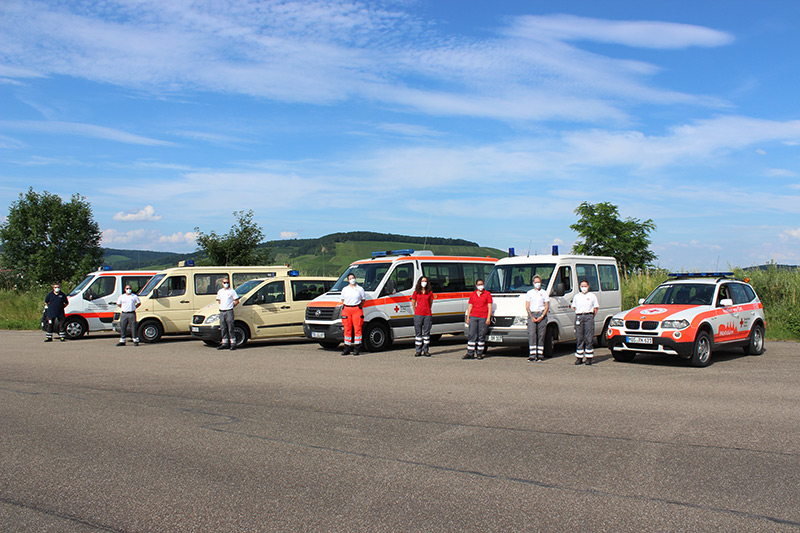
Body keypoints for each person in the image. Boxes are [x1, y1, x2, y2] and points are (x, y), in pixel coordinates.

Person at [571, 279, 599, 365]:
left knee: (589, 337)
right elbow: (574, 307)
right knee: (579, 337)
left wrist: (590, 316)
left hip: (589, 316)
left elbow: (596, 308)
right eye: (582, 286)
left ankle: (589, 357)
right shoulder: (576, 296)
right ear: (580, 287)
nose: (584, 288)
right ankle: (579, 357)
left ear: (588, 286)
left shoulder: (592, 296)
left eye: (585, 286)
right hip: (579, 316)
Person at [464, 279, 492, 359]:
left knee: (481, 335)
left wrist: (488, 318)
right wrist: (468, 317)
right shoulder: (473, 294)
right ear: (476, 286)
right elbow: (470, 306)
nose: (481, 286)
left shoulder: (487, 294)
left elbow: (489, 306)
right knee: (471, 335)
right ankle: (470, 353)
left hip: (483, 317)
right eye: (479, 284)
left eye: (482, 284)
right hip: (473, 317)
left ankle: (479, 353)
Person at [525, 275, 550, 362]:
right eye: (536, 282)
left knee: (541, 335)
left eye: (539, 282)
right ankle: (532, 355)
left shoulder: (544, 292)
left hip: (541, 315)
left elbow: (547, 306)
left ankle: (540, 355)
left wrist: (542, 316)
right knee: (532, 334)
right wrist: (531, 317)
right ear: (533, 283)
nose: (537, 284)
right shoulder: (529, 293)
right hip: (532, 315)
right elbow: (527, 306)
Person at [340, 273, 366, 356]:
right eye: (350, 278)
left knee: (357, 328)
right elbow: (343, 300)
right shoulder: (345, 289)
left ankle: (357, 348)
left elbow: (363, 300)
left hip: (356, 309)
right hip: (347, 309)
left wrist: (357, 306)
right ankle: (347, 348)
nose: (352, 279)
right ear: (348, 280)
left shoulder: (360, 289)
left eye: (353, 278)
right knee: (347, 329)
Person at [411, 276, 434, 357]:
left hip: (427, 315)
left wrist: (427, 310)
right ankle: (418, 350)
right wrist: (416, 311)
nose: (424, 282)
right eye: (422, 281)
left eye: (425, 281)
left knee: (427, 334)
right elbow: (413, 302)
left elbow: (431, 303)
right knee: (418, 334)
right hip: (418, 315)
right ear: (419, 282)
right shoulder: (416, 292)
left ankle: (426, 350)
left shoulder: (430, 292)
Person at [216, 277, 240, 351]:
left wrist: (231, 306)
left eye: (227, 282)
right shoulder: (220, 291)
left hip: (229, 311)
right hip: (222, 311)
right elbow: (219, 300)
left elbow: (237, 300)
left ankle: (233, 343)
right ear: (222, 283)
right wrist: (223, 306)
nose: (226, 284)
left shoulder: (232, 291)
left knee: (231, 326)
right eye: (224, 283)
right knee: (223, 327)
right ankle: (224, 343)